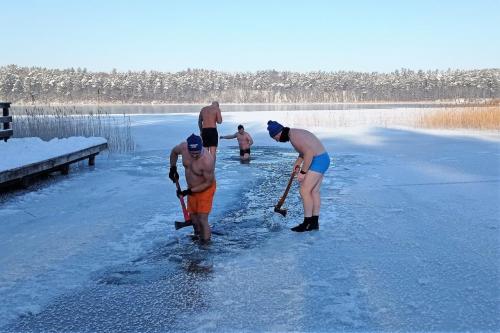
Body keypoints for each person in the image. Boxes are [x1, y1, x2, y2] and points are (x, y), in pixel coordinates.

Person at [267, 120, 330, 232]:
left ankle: (306, 223)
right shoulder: (294, 134)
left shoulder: (294, 137)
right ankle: (314, 223)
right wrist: (297, 163)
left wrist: (303, 172)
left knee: (304, 191)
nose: (277, 141)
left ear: (278, 133)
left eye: (275, 138)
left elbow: (309, 153)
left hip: (318, 160)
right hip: (323, 158)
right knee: (314, 191)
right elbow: (304, 151)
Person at [169, 134, 216, 243]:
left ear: (201, 147)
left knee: (202, 218)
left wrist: (188, 192)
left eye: (197, 153)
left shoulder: (207, 160)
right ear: (188, 148)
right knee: (194, 219)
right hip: (192, 188)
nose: (194, 155)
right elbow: (174, 152)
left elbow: (208, 182)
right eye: (192, 153)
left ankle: (206, 246)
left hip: (206, 189)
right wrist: (173, 168)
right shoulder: (183, 147)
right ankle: (197, 237)